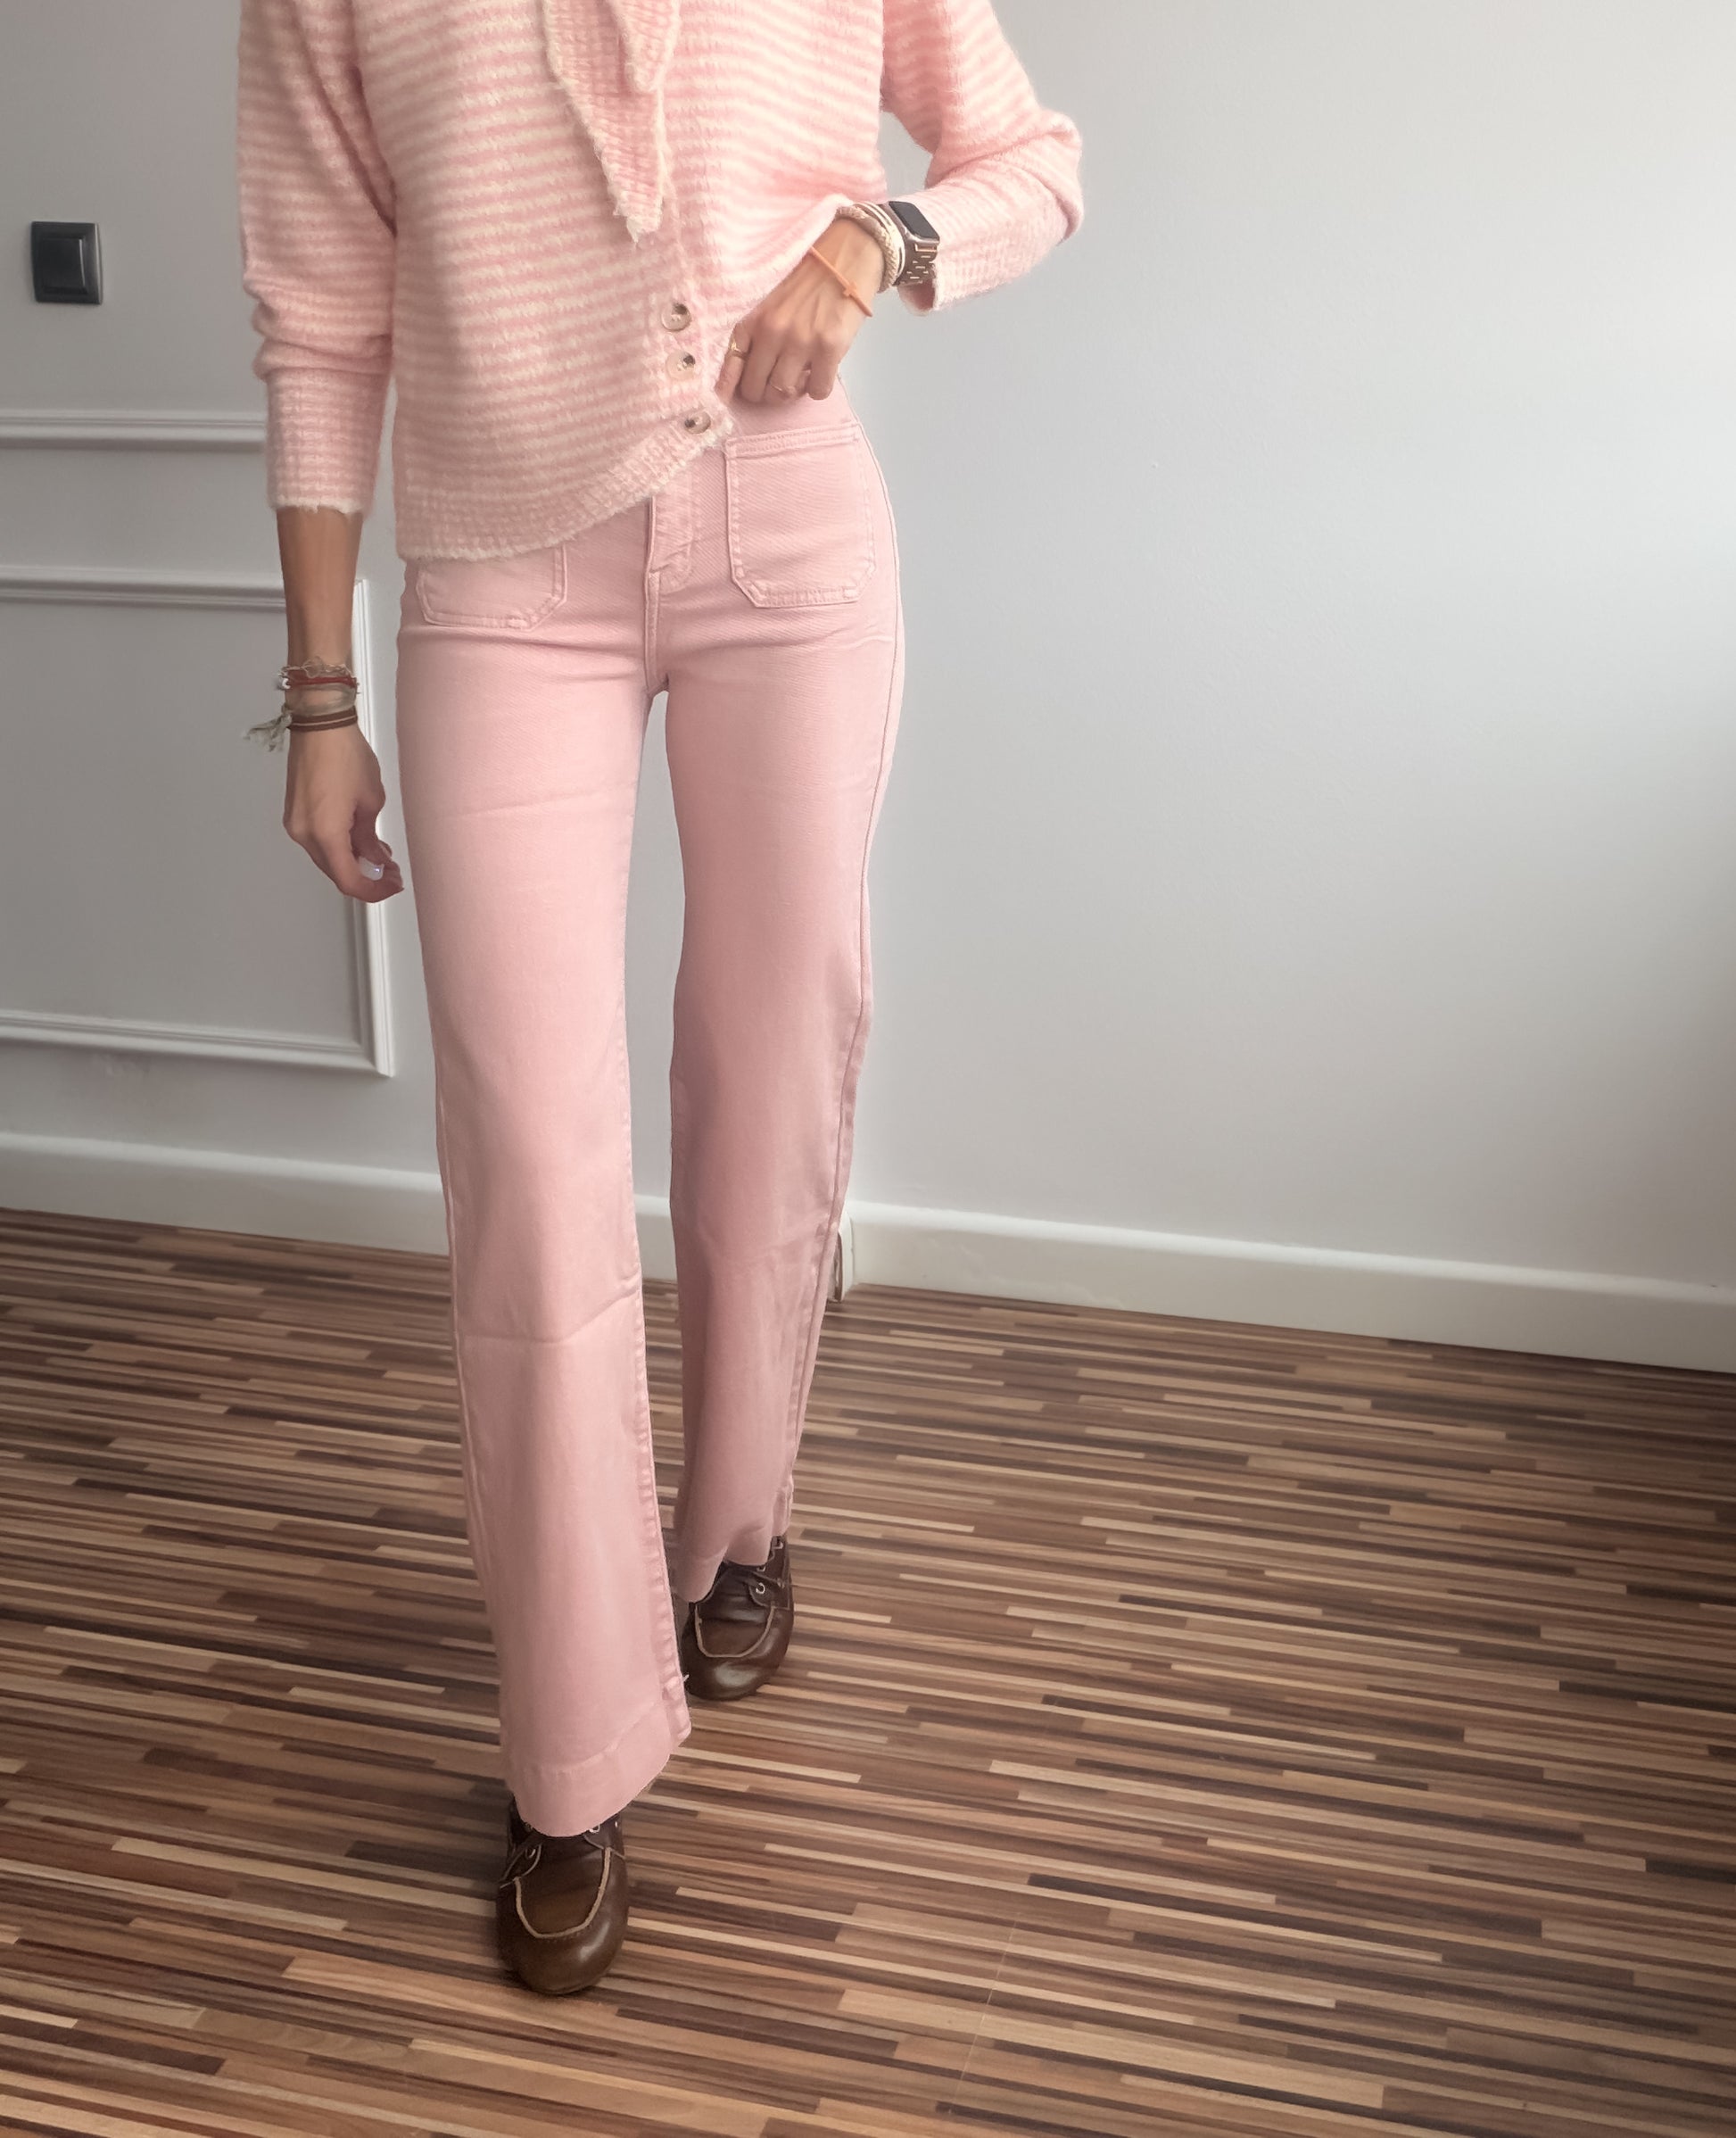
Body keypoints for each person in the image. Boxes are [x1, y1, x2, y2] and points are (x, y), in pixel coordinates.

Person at [235, 0, 1083, 1994]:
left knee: (769, 1071)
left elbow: (1031, 159)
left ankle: (741, 1526)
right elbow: (319, 312)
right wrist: (320, 693)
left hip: (788, 541)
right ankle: (568, 1754)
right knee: (533, 1160)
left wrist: (879, 238)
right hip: (497, 582)